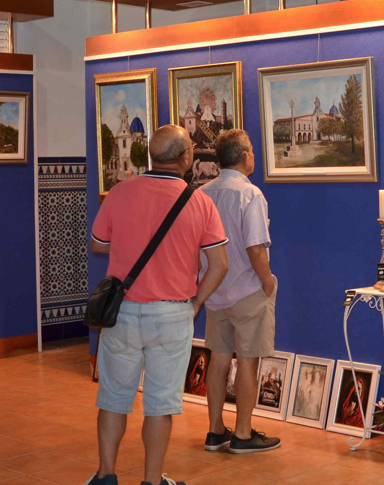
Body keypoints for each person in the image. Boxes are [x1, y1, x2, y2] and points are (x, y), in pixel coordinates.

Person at [87, 124, 230, 485]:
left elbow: (99, 244)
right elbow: (220, 264)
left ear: (151, 156)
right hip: (172, 314)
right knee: (160, 404)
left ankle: (106, 475)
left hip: (122, 312)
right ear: (186, 157)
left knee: (113, 399)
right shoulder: (199, 201)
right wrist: (196, 302)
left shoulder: (119, 192)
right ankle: (152, 481)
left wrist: (129, 244)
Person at [198, 129, 281, 454]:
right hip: (247, 289)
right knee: (248, 361)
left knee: (218, 359)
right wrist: (268, 281)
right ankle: (243, 434)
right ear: (245, 155)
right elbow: (255, 247)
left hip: (214, 292)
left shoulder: (201, 193)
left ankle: (216, 430)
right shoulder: (250, 195)